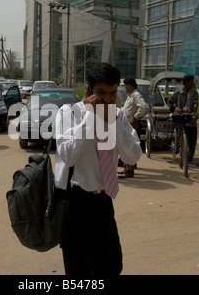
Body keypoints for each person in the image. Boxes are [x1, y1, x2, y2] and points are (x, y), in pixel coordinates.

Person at [54, 62, 142, 275]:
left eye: (112, 93)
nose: (107, 99)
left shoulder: (118, 116)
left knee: (111, 266)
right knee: (79, 271)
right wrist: (90, 116)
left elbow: (133, 155)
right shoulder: (69, 114)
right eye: (101, 92)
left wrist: (113, 122)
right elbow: (68, 156)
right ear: (88, 89)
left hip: (104, 201)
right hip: (75, 203)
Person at [168, 74, 199, 167]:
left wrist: (194, 111)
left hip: (190, 118)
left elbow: (195, 103)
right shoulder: (178, 93)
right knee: (180, 139)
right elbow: (170, 101)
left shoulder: (194, 92)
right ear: (186, 82)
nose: (192, 83)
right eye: (191, 81)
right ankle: (182, 157)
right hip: (180, 119)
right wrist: (174, 110)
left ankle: (190, 159)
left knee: (192, 141)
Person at [119, 78, 147, 178]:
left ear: (131, 85)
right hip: (126, 124)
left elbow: (143, 107)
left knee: (129, 146)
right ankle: (126, 168)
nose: (125, 88)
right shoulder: (130, 96)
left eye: (126, 86)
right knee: (126, 146)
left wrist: (136, 117)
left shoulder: (136, 95)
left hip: (131, 124)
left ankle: (129, 171)